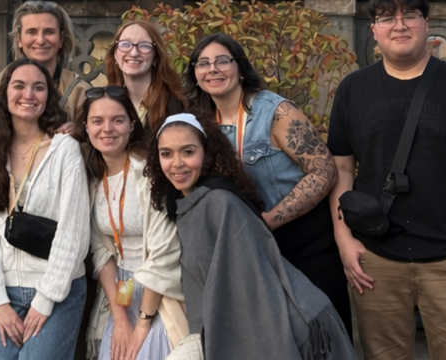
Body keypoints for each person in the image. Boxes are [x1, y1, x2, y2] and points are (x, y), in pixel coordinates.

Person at [327, 0, 446, 360]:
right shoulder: (353, 89)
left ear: (426, 24)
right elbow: (341, 170)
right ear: (373, 30)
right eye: (386, 17)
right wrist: (345, 241)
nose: (399, 25)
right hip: (376, 263)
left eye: (409, 14)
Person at [147, 112, 355, 360]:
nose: (177, 163)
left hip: (295, 328)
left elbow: (251, 291)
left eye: (188, 152)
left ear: (207, 152)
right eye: (166, 153)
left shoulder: (220, 203)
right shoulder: (185, 203)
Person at [185, 33, 350, 333]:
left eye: (223, 60)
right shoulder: (199, 121)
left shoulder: (275, 111)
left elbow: (324, 171)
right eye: (203, 63)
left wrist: (270, 221)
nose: (212, 69)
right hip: (246, 248)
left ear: (241, 67)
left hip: (301, 242)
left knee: (318, 338)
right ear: (195, 74)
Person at [0, 58, 89, 360]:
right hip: (4, 290)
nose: (29, 95)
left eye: (39, 88)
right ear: (4, 93)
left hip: (57, 288)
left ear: (49, 97)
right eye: (19, 86)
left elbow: (73, 233)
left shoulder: (65, 150)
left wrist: (46, 299)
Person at [76, 86, 188, 360]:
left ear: (131, 124)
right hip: (120, 295)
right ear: (86, 128)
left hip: (159, 295)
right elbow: (102, 252)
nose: (107, 129)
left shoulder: (150, 175)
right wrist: (121, 319)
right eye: (97, 121)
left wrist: (142, 325)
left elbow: (164, 252)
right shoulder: (92, 181)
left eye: (117, 120)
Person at [0, 0, 91, 128]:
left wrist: (77, 135)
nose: (41, 40)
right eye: (32, 32)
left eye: (49, 32)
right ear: (19, 39)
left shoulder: (80, 92)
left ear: (61, 39)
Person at [103, 20, 186, 134]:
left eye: (144, 46)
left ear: (156, 56)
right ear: (115, 54)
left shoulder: (174, 106)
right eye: (125, 44)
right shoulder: (107, 101)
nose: (134, 53)